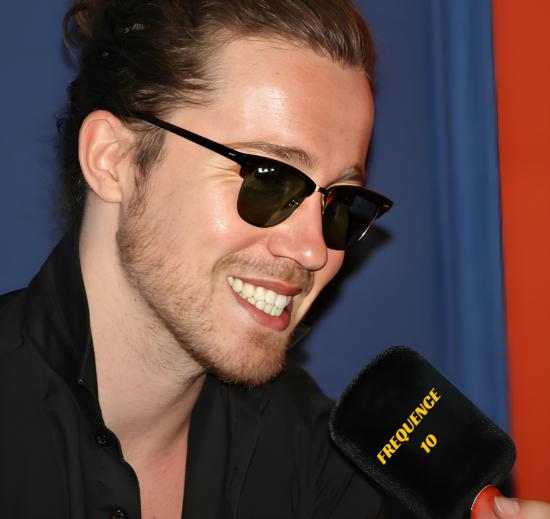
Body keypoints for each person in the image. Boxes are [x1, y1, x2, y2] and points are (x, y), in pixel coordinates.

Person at [0, 1, 548, 519]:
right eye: (268, 179)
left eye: (340, 204)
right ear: (112, 159)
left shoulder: (321, 469)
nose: (314, 251)